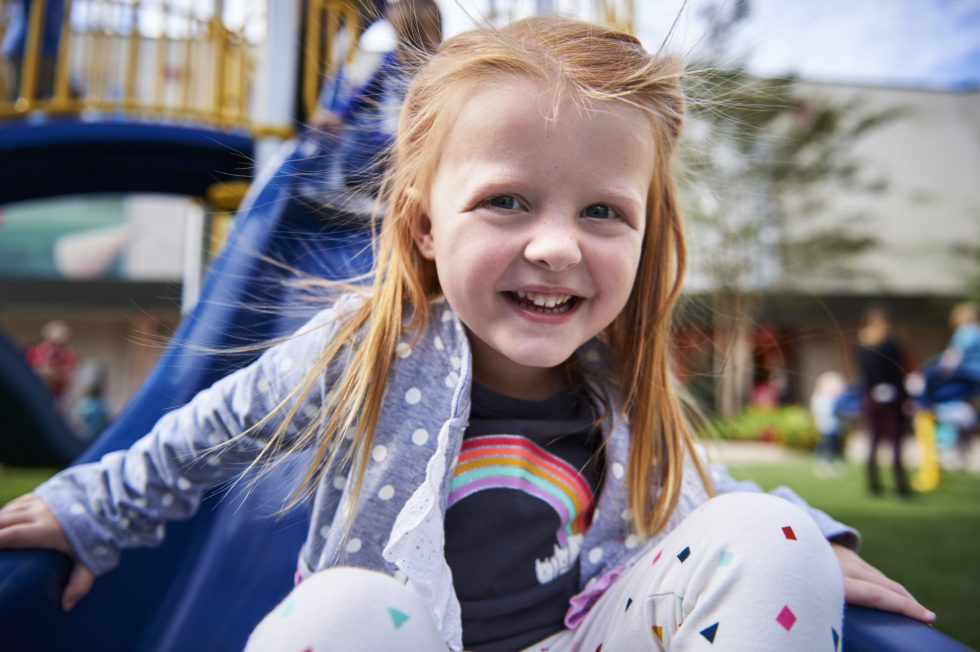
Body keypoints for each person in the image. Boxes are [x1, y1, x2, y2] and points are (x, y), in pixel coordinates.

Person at [0, 17, 933, 651]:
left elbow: (705, 492)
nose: (559, 246)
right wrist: (98, 510)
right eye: (507, 201)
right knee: (348, 605)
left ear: (647, 239)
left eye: (604, 212)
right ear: (424, 229)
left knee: (767, 528)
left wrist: (817, 541)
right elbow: (211, 430)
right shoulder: (369, 348)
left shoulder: (616, 388)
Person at [308, 0, 442, 195]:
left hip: (416, 142)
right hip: (385, 140)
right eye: (404, 41)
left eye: (424, 39)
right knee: (356, 148)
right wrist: (338, 115)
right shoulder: (390, 62)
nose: (406, 52)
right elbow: (362, 94)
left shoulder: (436, 69)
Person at [854, 306, 910, 498]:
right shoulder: (891, 345)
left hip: (871, 396)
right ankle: (900, 486)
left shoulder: (861, 344)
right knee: (895, 441)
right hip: (891, 397)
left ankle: (874, 484)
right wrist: (905, 398)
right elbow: (898, 373)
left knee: (874, 440)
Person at [24, 319, 79, 414]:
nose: (58, 347)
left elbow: (70, 376)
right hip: (37, 394)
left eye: (62, 344)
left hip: (59, 398)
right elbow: (33, 373)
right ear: (47, 338)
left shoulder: (68, 353)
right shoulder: (35, 351)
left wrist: (53, 373)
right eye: (55, 343)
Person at [810, 370, 847, 477]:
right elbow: (823, 411)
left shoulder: (835, 398)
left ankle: (835, 463)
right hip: (825, 426)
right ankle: (822, 463)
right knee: (824, 446)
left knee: (836, 446)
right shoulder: (820, 397)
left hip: (835, 427)